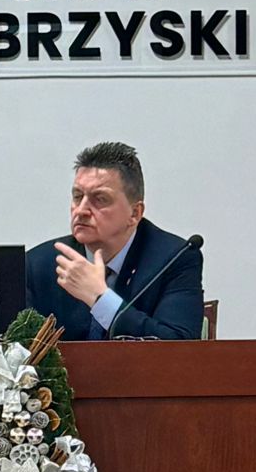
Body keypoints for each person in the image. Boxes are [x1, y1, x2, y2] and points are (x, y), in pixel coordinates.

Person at [23, 141, 204, 341]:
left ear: (134, 213)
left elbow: (179, 344)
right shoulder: (38, 264)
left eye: (100, 199)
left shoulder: (174, 259)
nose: (81, 210)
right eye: (77, 197)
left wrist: (101, 299)